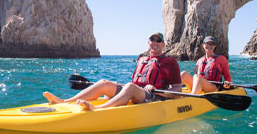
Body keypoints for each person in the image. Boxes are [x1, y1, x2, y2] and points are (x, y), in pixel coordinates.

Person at [43, 32, 182, 110]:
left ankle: (98, 109)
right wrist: (120, 87)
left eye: (158, 41)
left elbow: (177, 90)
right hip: (135, 90)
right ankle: (64, 101)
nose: (155, 43)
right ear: (148, 43)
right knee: (104, 82)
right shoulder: (142, 59)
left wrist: (159, 91)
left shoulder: (170, 62)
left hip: (152, 97)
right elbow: (135, 82)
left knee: (130, 87)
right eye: (152, 40)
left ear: (163, 44)